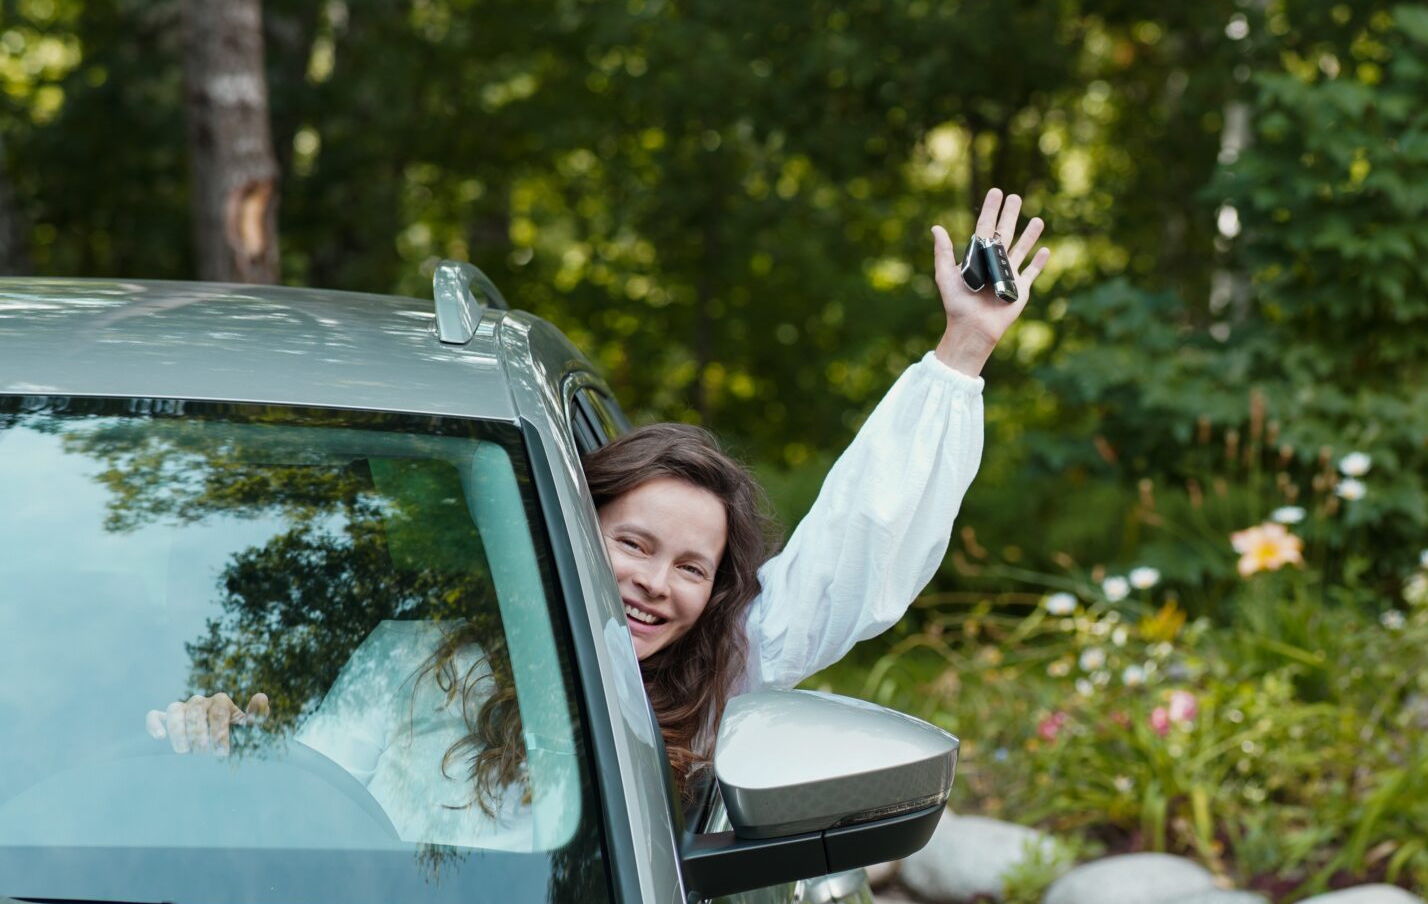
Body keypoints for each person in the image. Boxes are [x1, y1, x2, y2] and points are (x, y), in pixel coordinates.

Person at [151, 190, 1051, 844]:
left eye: (693, 568)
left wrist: (963, 347)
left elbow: (858, 547)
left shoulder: (723, 682)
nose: (658, 584)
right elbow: (313, 810)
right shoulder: (415, 657)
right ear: (575, 532)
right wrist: (231, 750)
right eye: (634, 544)